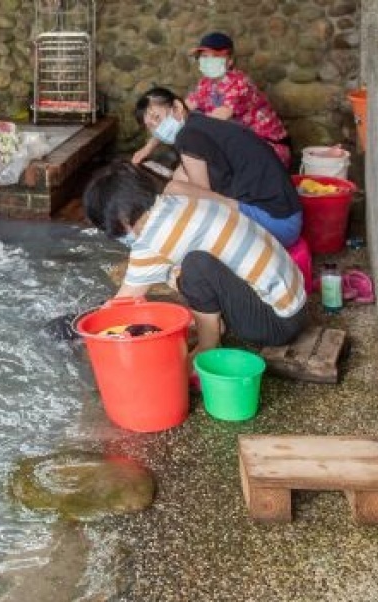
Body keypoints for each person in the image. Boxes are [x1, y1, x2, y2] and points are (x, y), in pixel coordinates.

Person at [83, 162, 307, 363]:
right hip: (295, 303)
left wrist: (85, 334)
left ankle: (208, 349)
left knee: (194, 267)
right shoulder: (175, 203)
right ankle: (214, 322)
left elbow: (123, 304)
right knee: (180, 271)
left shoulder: (153, 240)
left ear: (121, 219)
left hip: (277, 324)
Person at [131, 86, 303, 249]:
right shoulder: (198, 122)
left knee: (174, 188)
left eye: (158, 118)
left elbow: (202, 197)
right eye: (151, 127)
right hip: (289, 215)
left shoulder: (187, 136)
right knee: (180, 175)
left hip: (277, 224)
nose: (157, 128)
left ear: (177, 107)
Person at [131, 33, 290, 166]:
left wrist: (183, 133)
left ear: (230, 60)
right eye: (203, 57)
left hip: (269, 149)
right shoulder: (206, 84)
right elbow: (182, 110)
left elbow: (217, 119)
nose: (207, 61)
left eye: (213, 57)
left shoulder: (240, 83)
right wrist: (147, 149)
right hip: (243, 147)